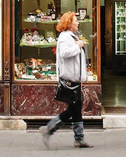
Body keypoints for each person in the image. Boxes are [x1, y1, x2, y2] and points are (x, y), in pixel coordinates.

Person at [40, 11, 93, 149]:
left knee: (75, 108)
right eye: (75, 20)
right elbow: (64, 53)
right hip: (70, 80)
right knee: (74, 109)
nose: (78, 22)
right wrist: (78, 46)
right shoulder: (65, 37)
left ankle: (78, 139)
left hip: (74, 79)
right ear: (69, 24)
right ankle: (50, 129)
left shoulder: (70, 36)